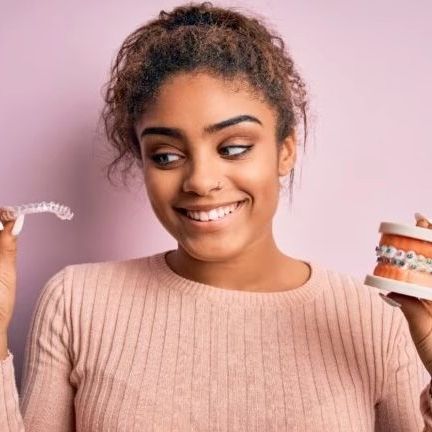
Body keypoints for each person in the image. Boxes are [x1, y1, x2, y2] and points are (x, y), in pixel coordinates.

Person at [1, 2, 432, 430]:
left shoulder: (380, 321)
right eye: (167, 155)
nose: (201, 181)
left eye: (234, 148)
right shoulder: (76, 303)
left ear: (286, 150)